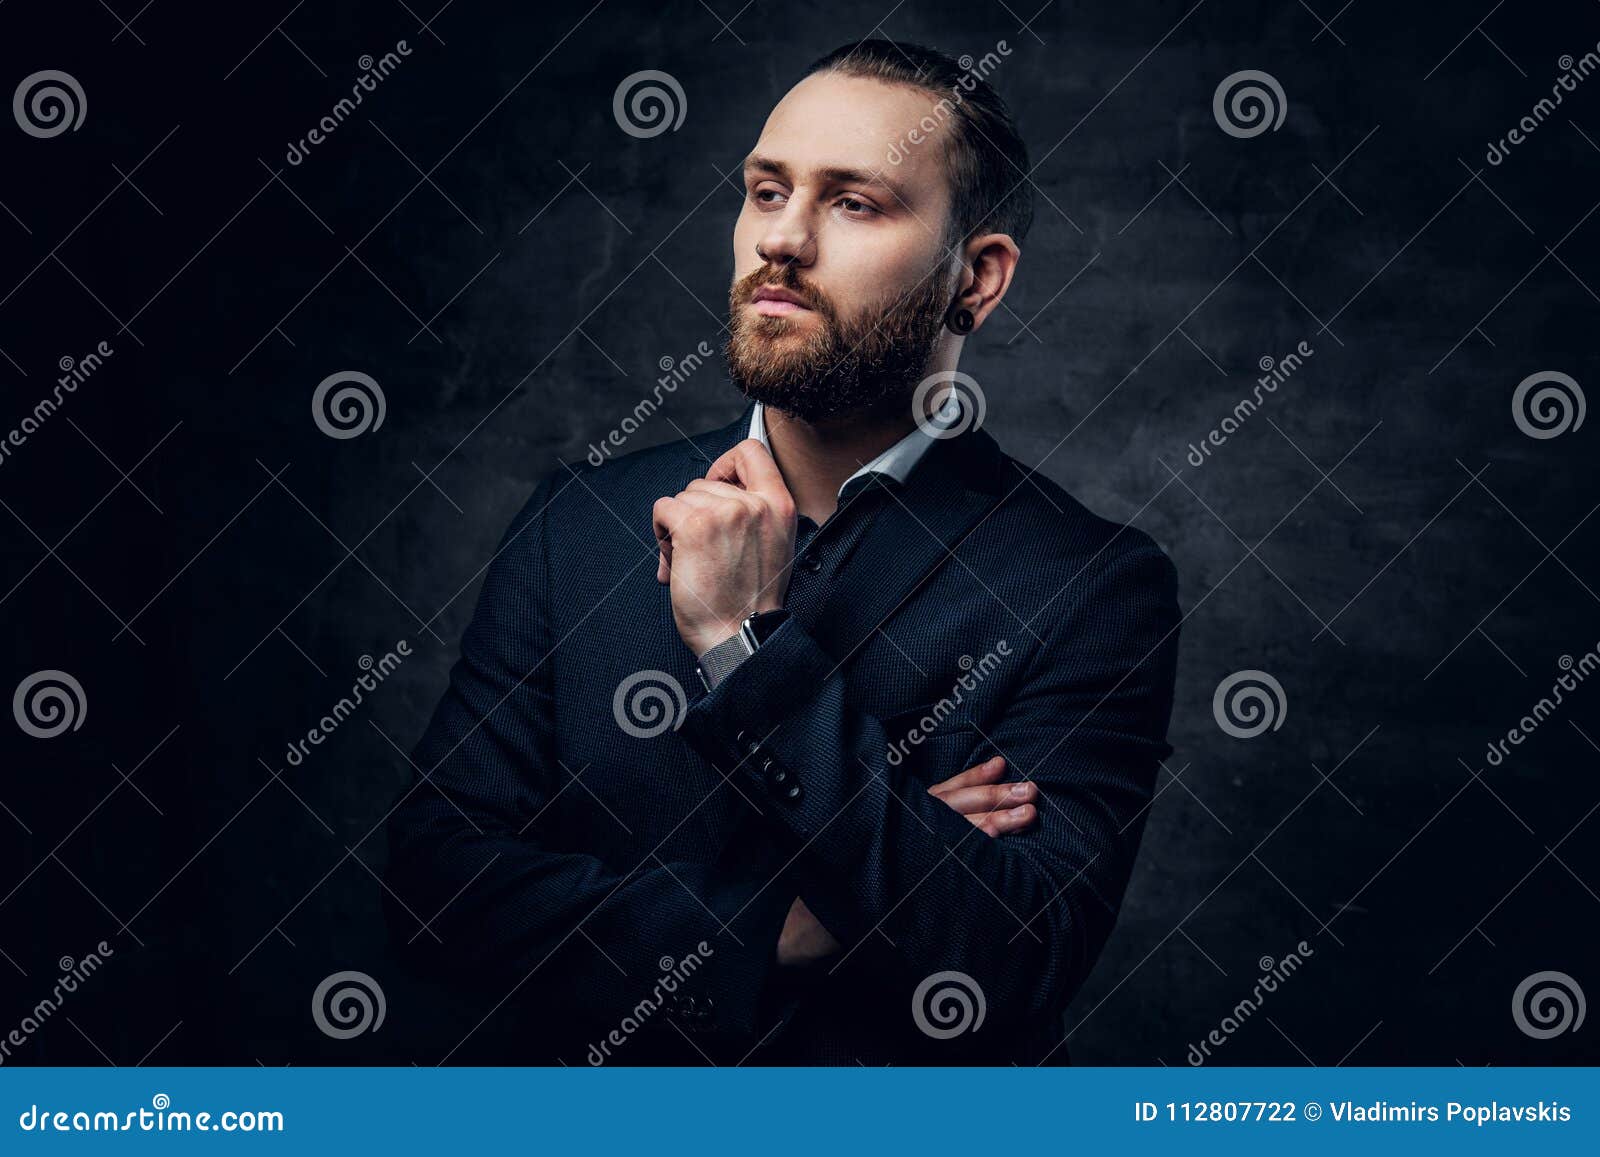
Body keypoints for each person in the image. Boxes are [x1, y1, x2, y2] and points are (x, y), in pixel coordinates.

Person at [384, 39, 1180, 1065]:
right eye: (766, 191)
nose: (783, 241)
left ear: (975, 279)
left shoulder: (1087, 585)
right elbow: (437, 892)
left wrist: (744, 645)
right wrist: (781, 926)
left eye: (855, 203)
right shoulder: (575, 523)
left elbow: (1011, 953)